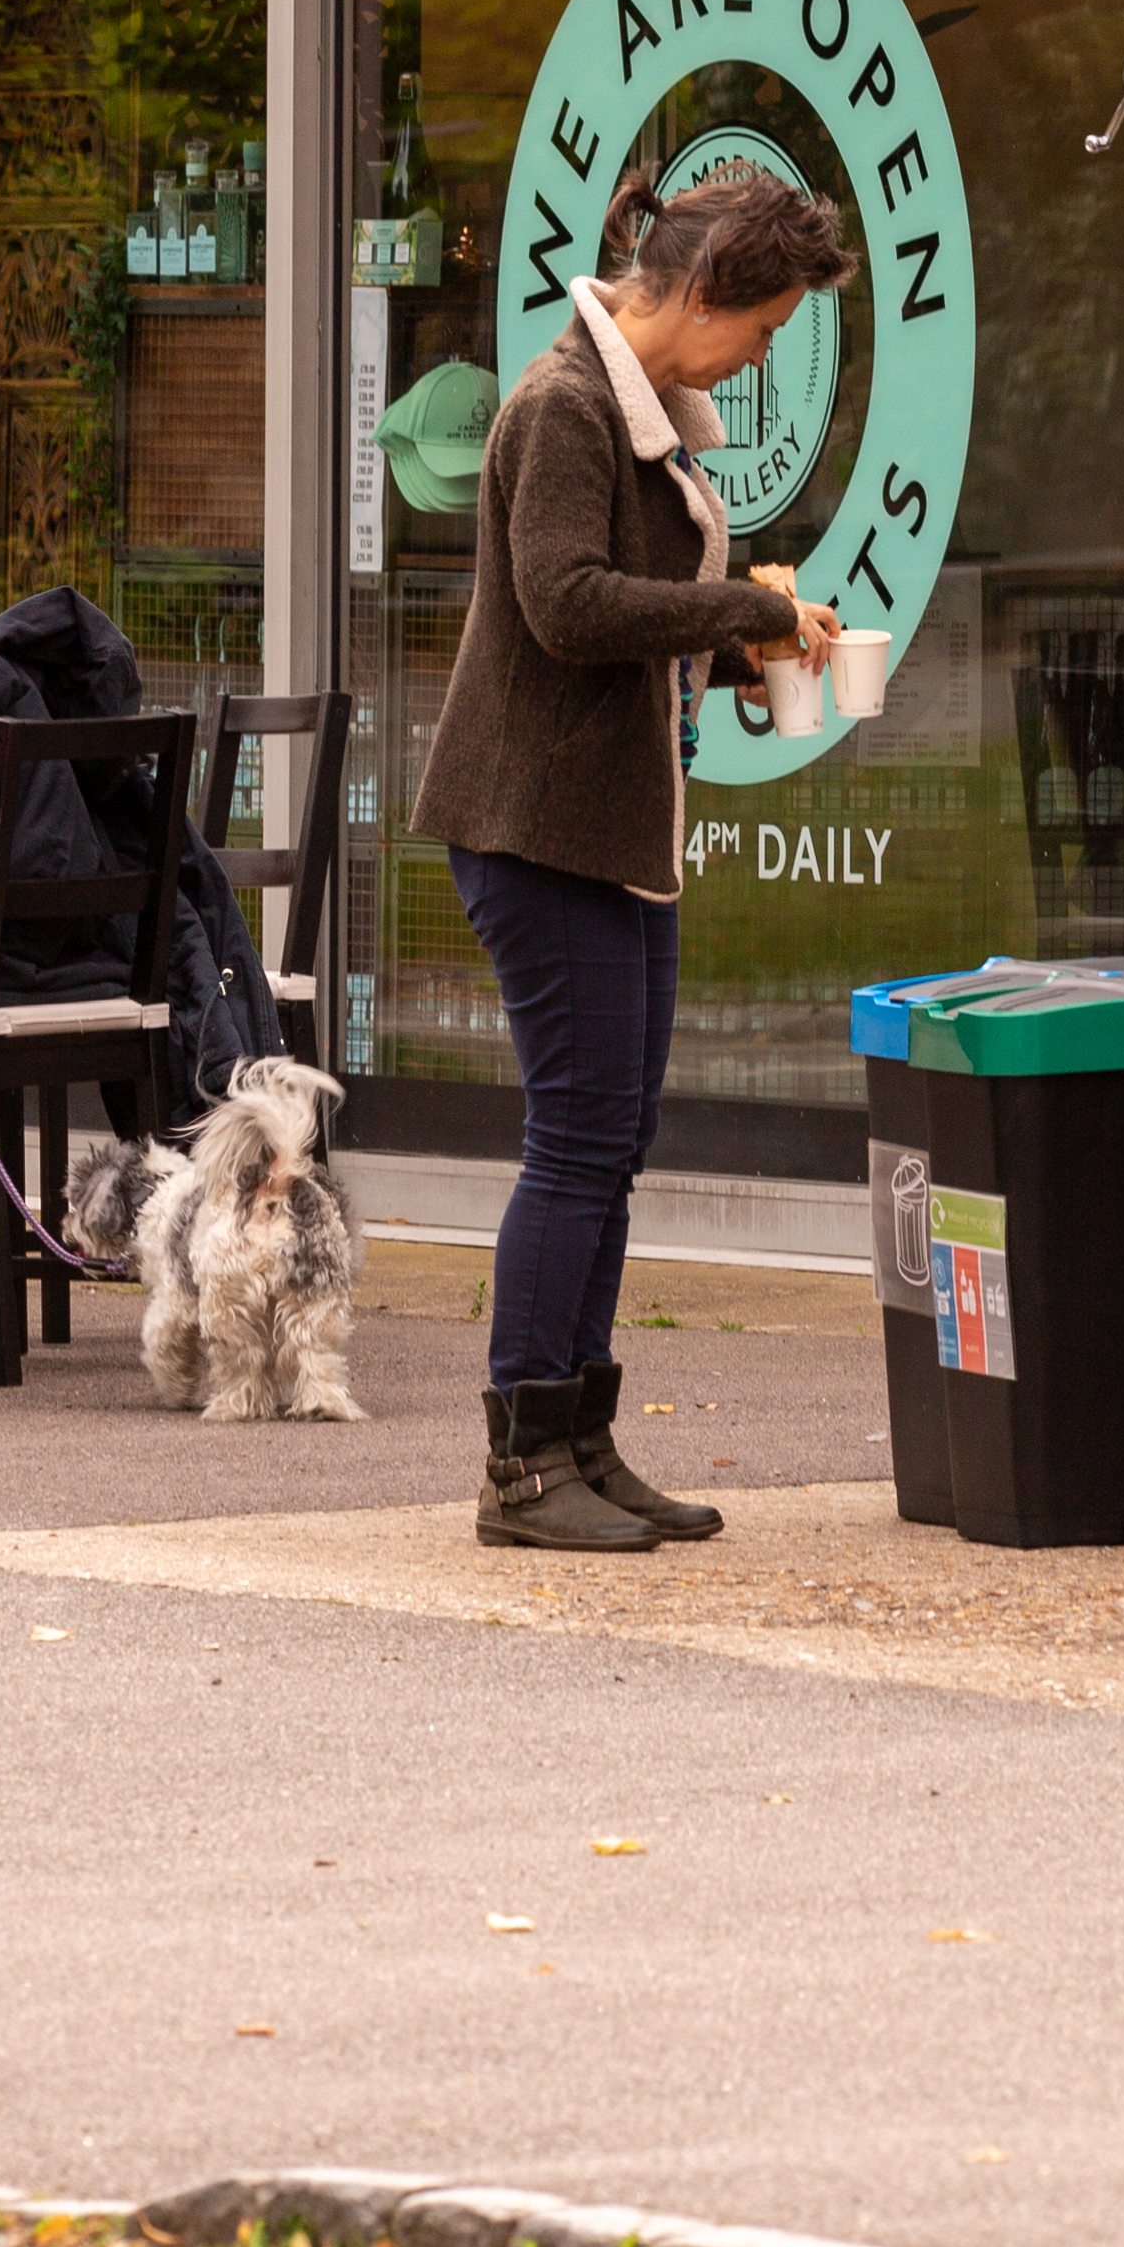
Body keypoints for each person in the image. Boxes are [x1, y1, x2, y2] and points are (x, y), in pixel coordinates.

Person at [411, 161, 850, 1554]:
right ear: (706, 292)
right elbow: (564, 604)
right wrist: (741, 612)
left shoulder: (637, 409)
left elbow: (622, 615)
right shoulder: (564, 405)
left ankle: (582, 1444)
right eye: (763, 329)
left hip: (612, 830)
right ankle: (522, 1467)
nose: (762, 357)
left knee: (613, 1142)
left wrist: (739, 653)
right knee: (578, 1142)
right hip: (538, 830)